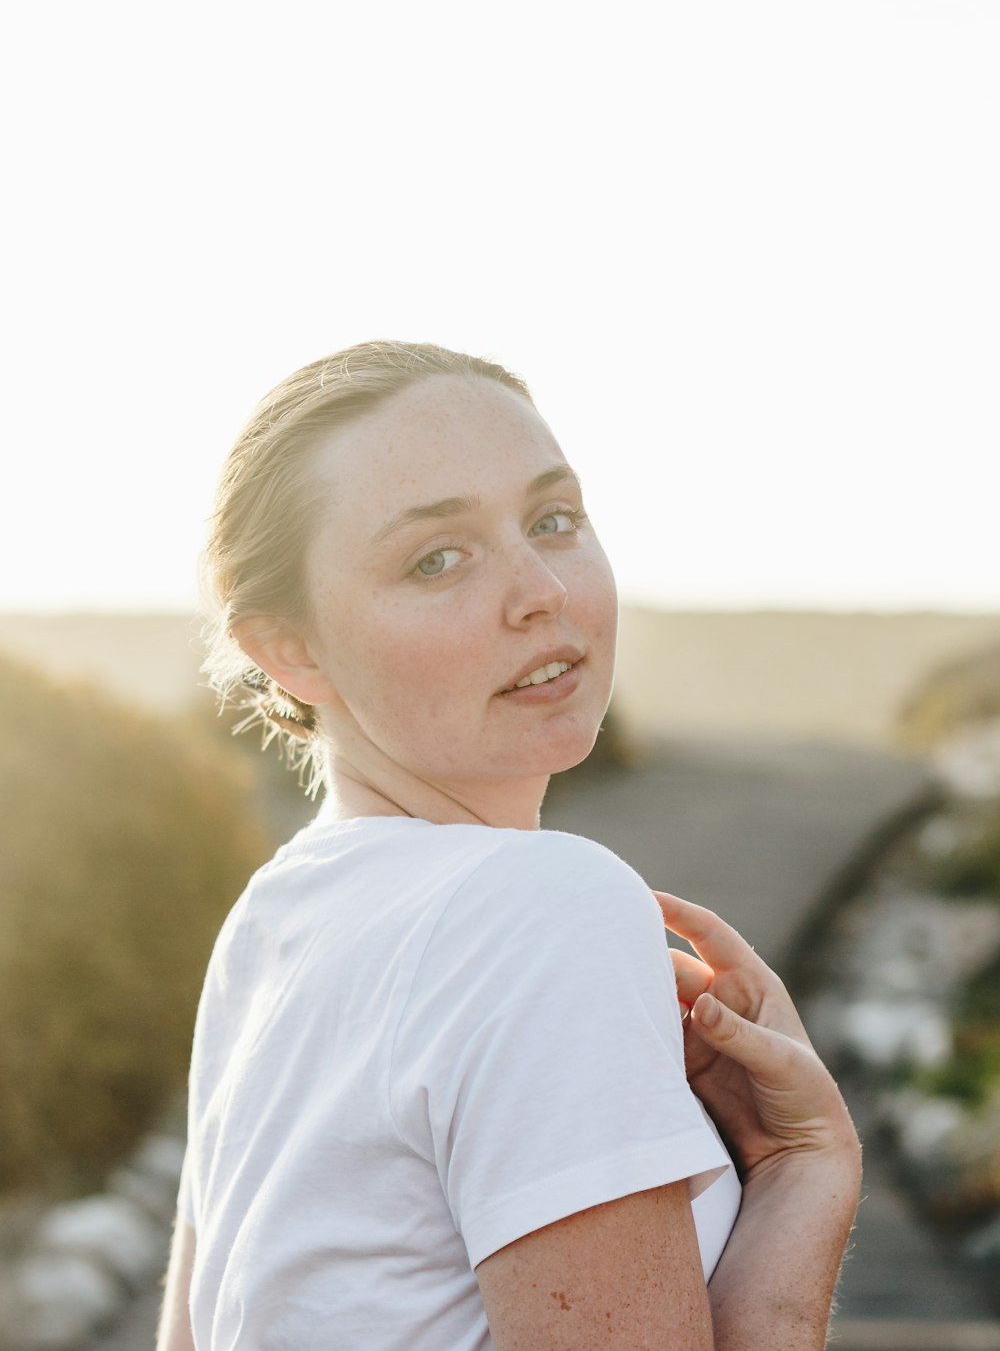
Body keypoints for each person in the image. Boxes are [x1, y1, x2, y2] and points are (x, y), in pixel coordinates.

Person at [157, 341, 861, 1350]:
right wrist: (805, 1170)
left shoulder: (275, 919)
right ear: (289, 649)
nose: (538, 588)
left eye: (553, 520)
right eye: (435, 558)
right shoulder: (544, 904)